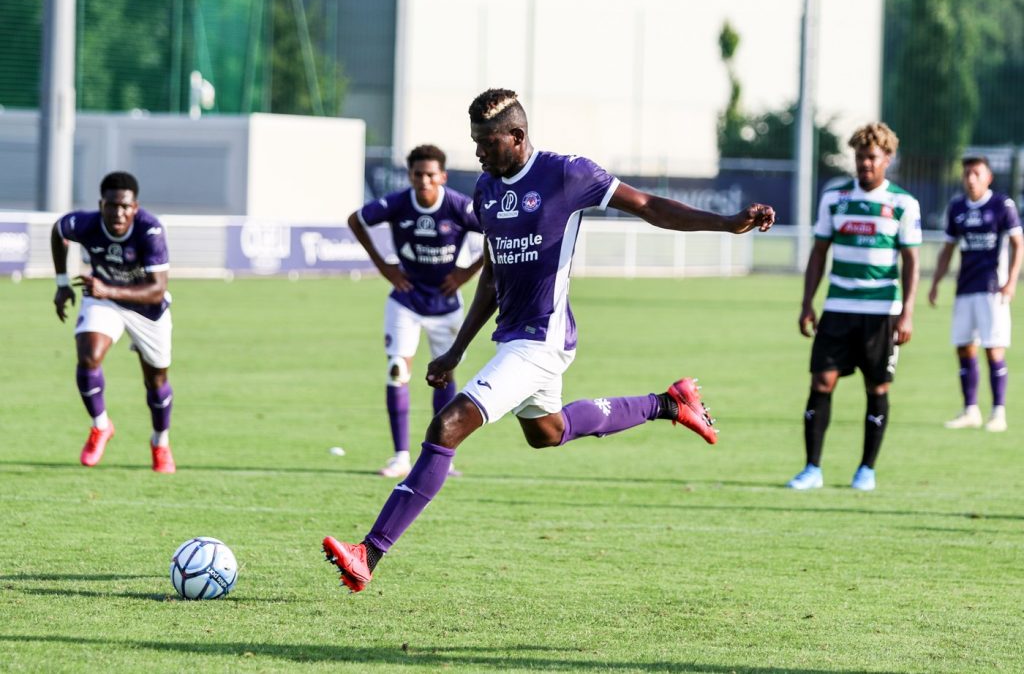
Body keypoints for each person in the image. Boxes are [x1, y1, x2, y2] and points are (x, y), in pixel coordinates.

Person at [322, 87, 776, 592]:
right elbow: (492, 277)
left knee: (448, 424)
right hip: (513, 338)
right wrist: (457, 350)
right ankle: (668, 404)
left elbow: (648, 205)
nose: (477, 153)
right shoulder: (486, 192)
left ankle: (370, 551)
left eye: (486, 142)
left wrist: (726, 223)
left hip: (543, 339)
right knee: (547, 432)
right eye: (473, 141)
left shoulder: (566, 173)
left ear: (516, 137)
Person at [789, 123, 921, 492]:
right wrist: (807, 303)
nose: (865, 164)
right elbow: (819, 254)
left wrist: (907, 311)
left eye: (872, 158)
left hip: (882, 312)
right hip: (838, 308)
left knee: (877, 388)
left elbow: (911, 262)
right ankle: (811, 468)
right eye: (860, 157)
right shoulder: (834, 199)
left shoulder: (903, 204)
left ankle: (866, 470)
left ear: (887, 160)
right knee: (821, 381)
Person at [347, 144, 484, 477]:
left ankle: (442, 458)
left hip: (446, 306)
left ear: (442, 177)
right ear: (410, 175)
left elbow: (497, 232)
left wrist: (467, 272)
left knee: (443, 376)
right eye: (418, 174)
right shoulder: (397, 204)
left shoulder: (458, 206)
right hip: (405, 302)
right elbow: (356, 220)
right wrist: (385, 267)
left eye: (430, 175)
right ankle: (400, 457)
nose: (424, 181)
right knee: (397, 369)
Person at [51, 171, 176, 473]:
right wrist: (62, 282)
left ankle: (160, 443)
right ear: (101, 204)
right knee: (89, 357)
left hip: (147, 309)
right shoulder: (86, 224)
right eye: (112, 205)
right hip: (103, 300)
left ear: (135, 207)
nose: (118, 213)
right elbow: (58, 231)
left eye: (125, 206)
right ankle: (101, 426)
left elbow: (157, 289)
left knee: (156, 381)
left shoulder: (150, 230)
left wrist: (108, 289)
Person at [928, 155, 1022, 432]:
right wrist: (935, 282)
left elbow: (1019, 243)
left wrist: (1012, 281)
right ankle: (970, 410)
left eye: (977, 174)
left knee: (993, 349)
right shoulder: (956, 207)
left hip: (993, 289)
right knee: (964, 347)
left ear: (988, 177)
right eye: (967, 174)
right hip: (965, 288)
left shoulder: (1001, 205)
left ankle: (998, 412)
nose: (971, 179)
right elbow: (948, 248)